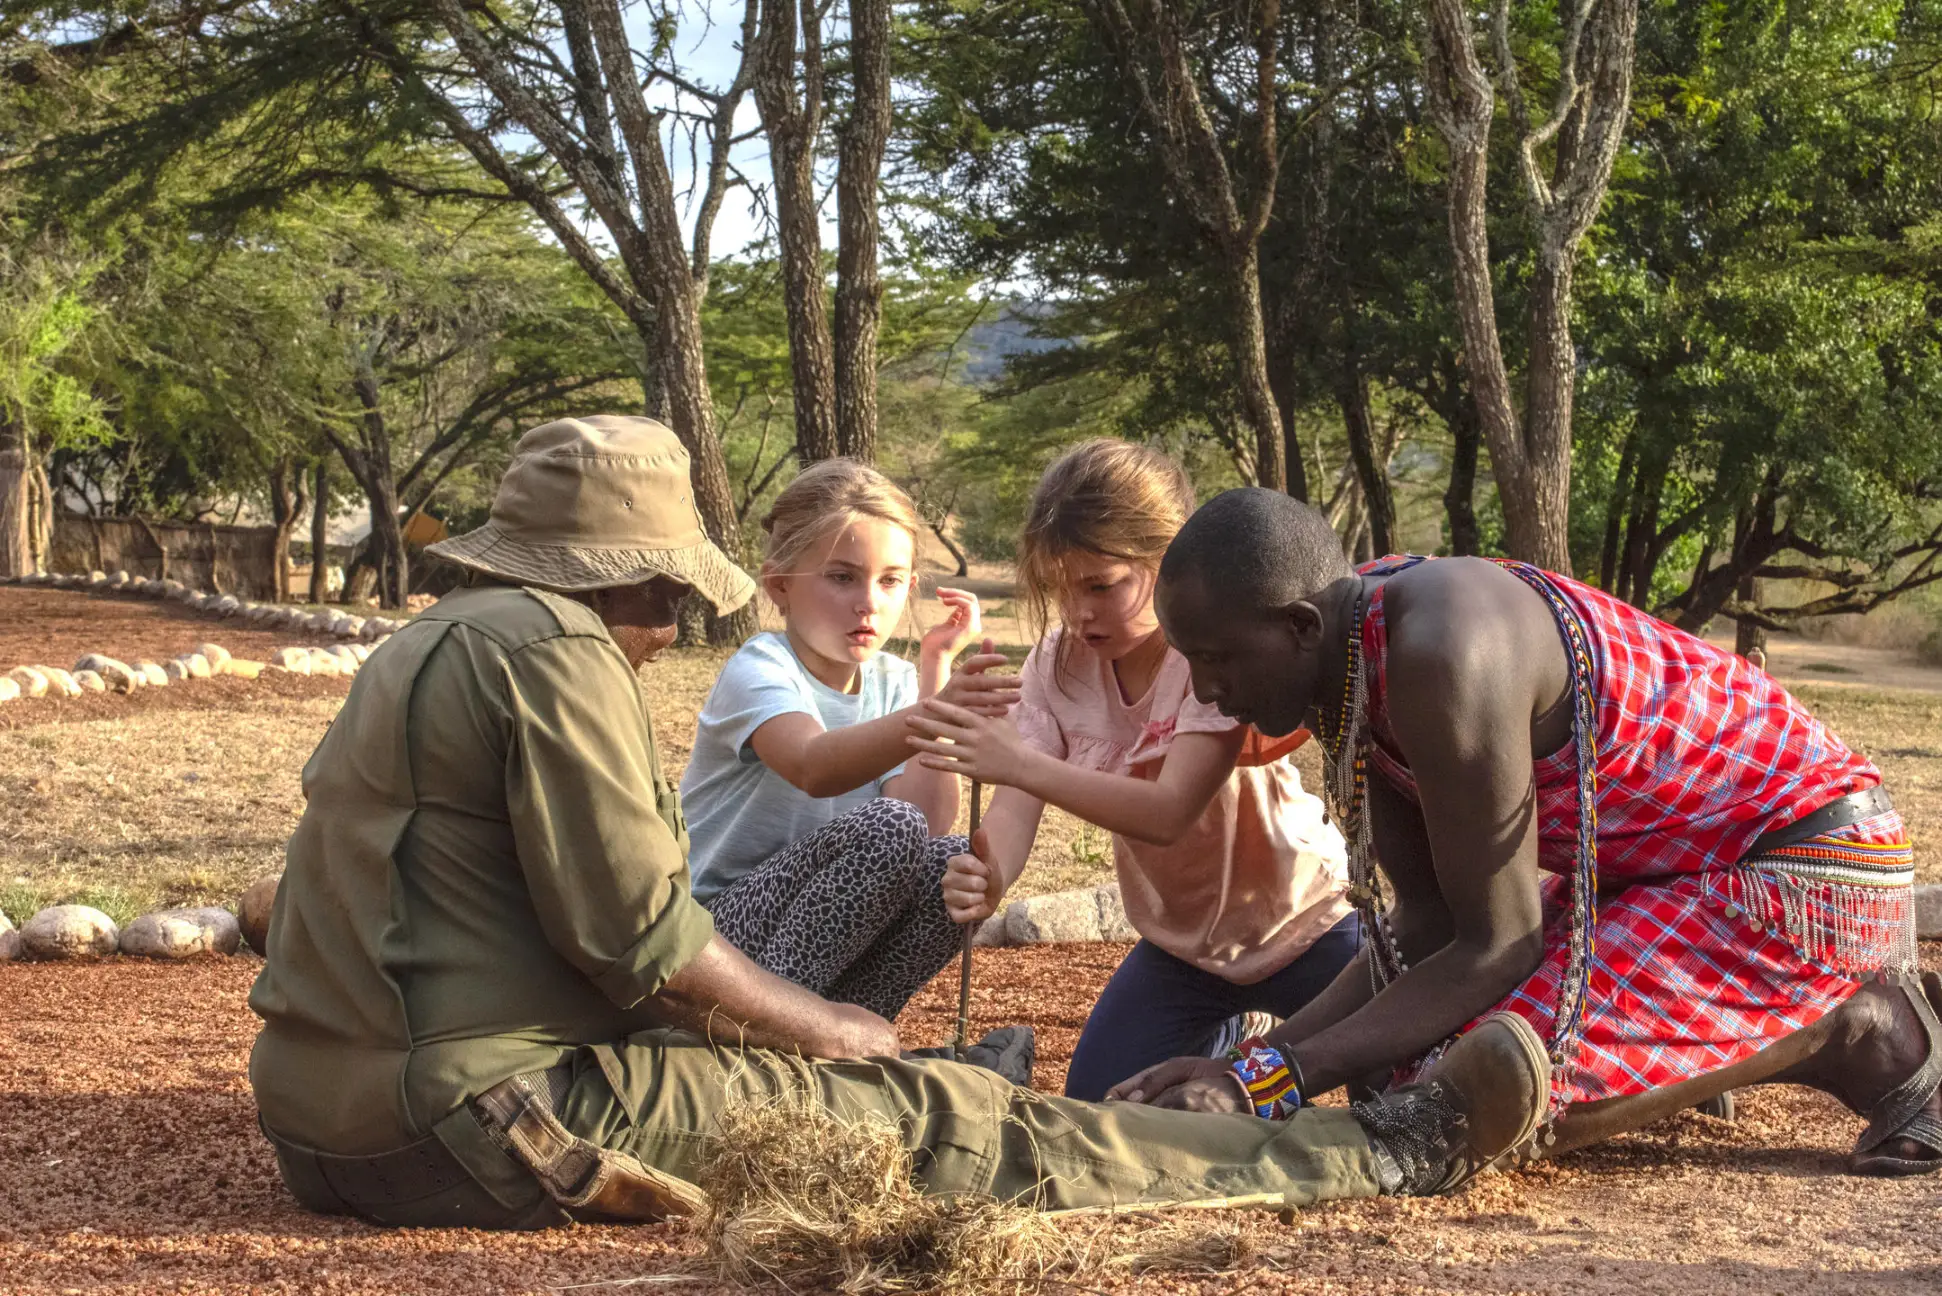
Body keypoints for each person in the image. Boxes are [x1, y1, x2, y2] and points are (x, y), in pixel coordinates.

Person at [246, 416, 1557, 1231]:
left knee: (881, 1073)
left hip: (324, 1123)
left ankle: (1260, 1094)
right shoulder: (556, 658)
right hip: (476, 1122)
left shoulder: (434, 646)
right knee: (934, 1131)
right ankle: (1372, 1155)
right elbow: (640, 943)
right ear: (639, 575)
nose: (676, 626)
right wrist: (835, 1037)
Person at [1120, 486, 1941, 1176]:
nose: (1205, 689)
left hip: (1805, 870)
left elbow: (1497, 944)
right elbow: (1427, 928)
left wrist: (1270, 1080)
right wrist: (1251, 1069)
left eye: (1217, 658)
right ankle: (1701, 1031)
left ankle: (1852, 1022)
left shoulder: (1442, 652)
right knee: (1391, 1069)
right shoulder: (1348, 654)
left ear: (1299, 625)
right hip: (1658, 875)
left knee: (1453, 1105)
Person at [905, 441, 1358, 1100]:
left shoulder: (1206, 657)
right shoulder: (1056, 666)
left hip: (1306, 923)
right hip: (1183, 952)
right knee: (1099, 1104)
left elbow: (1169, 813)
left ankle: (1244, 1053)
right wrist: (991, 875)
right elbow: (1014, 806)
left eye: (1100, 585)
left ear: (1169, 561)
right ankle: (1227, 1035)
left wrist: (1022, 763)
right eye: (1061, 588)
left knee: (1394, 1083)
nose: (1079, 611)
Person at [680, 459, 1015, 1026]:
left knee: (948, 862)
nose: (869, 602)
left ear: (911, 586)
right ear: (780, 585)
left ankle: (846, 1035)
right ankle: (769, 1033)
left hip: (804, 944)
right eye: (841, 577)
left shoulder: (894, 681)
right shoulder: (760, 668)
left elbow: (930, 818)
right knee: (890, 828)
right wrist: (937, 712)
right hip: (713, 940)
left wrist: (934, 666)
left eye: (889, 581)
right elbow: (813, 766)